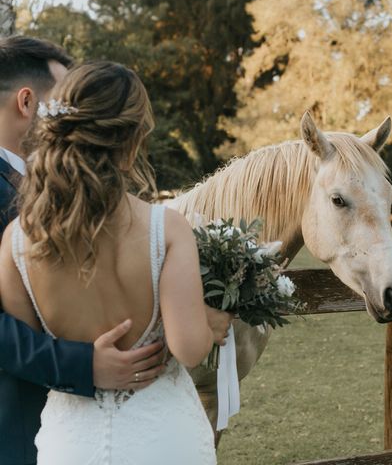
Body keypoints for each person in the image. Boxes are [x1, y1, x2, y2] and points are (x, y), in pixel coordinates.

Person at [0, 60, 231, 463]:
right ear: (131, 140)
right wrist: (212, 322)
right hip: (164, 437)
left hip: (71, 444)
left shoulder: (16, 241)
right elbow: (189, 348)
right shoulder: (167, 229)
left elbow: (29, 343)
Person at [0, 36, 166, 465]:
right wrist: (83, 365)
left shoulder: (62, 189)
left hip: (91, 428)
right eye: (63, 99)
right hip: (15, 424)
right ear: (26, 102)